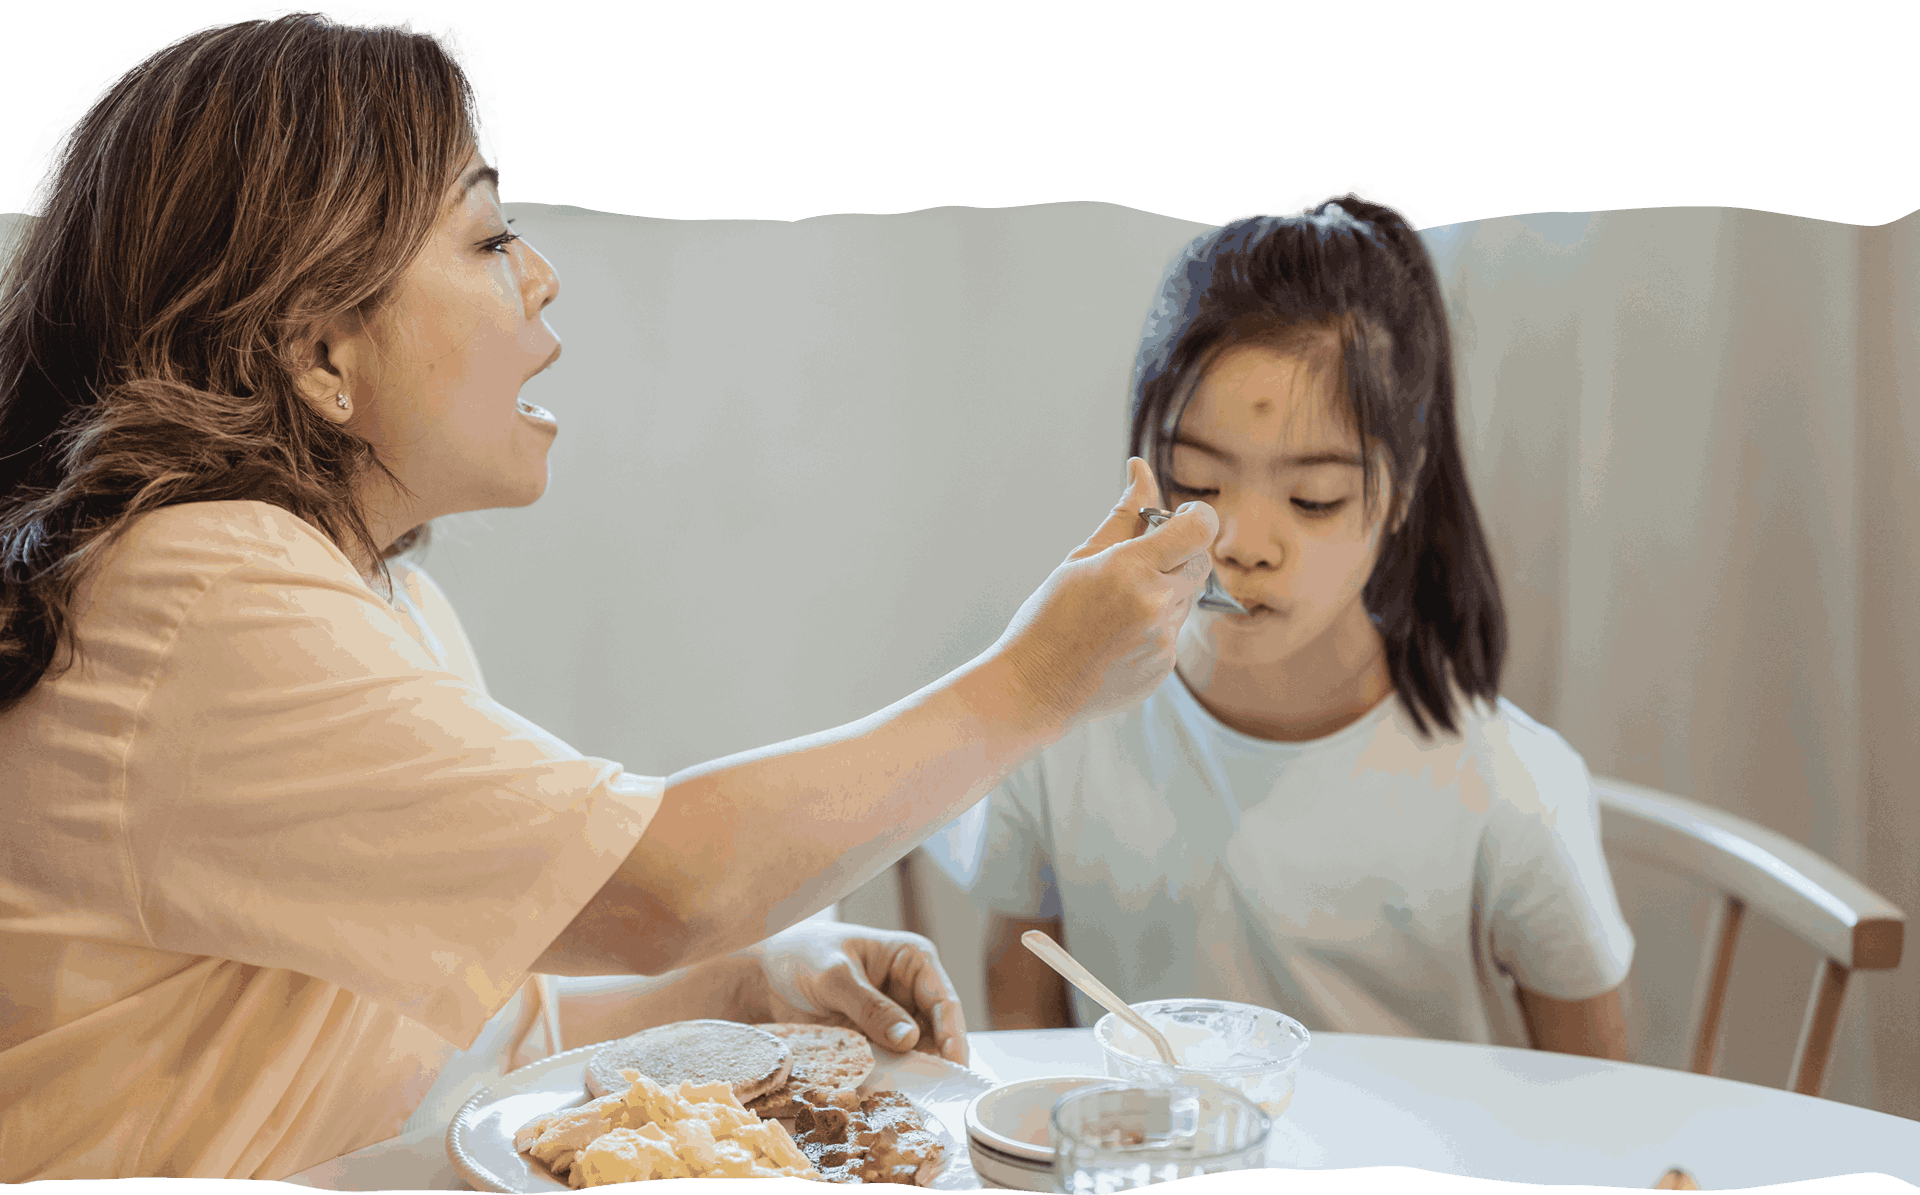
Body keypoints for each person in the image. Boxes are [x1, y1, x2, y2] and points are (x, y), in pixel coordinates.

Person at [0, 12, 1220, 1181]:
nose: (541, 277)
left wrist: (747, 982)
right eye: (487, 238)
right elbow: (664, 887)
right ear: (320, 352)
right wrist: (1036, 682)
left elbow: (445, 1031)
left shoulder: (374, 599)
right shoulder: (197, 591)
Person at [930, 185, 1637, 1060]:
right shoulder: (1065, 731)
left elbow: (1601, 1103)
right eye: (1197, 482)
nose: (1244, 544)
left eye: (1314, 498)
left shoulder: (1507, 790)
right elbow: (1024, 1037)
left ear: (1405, 487)